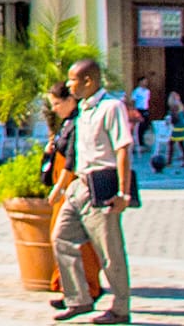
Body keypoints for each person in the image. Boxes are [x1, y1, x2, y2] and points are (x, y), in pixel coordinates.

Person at [50, 58, 134, 324]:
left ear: (89, 81)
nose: (68, 84)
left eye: (73, 79)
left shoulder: (111, 108)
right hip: (80, 185)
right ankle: (78, 300)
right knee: (61, 237)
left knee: (109, 252)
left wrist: (123, 192)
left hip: (103, 185)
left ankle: (121, 308)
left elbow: (122, 149)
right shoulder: (83, 111)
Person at [41, 82, 102, 300]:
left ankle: (87, 287)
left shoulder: (78, 122)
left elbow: (73, 159)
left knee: (76, 239)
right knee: (60, 237)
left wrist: (60, 187)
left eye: (57, 103)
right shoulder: (67, 123)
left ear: (70, 100)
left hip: (72, 185)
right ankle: (69, 288)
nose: (55, 108)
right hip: (63, 182)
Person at [163, 92, 184, 169]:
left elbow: (174, 118)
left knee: (171, 144)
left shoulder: (174, 106)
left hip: (177, 127)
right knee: (181, 144)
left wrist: (169, 121)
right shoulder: (181, 105)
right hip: (183, 126)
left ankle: (169, 162)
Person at [129, 76, 153, 152]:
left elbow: (147, 101)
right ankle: (139, 141)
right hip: (139, 110)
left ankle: (142, 140)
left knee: (145, 125)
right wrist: (134, 110)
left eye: (146, 81)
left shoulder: (147, 91)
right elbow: (133, 100)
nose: (145, 83)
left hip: (145, 109)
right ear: (140, 82)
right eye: (144, 81)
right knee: (139, 126)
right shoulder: (137, 91)